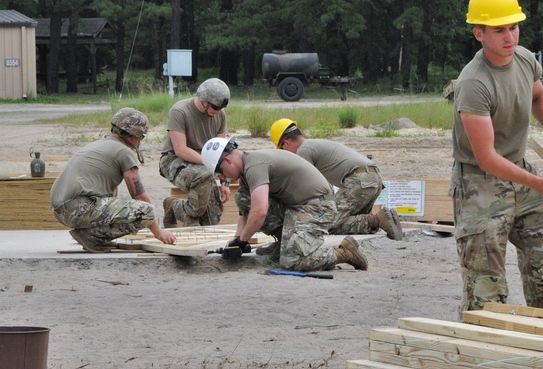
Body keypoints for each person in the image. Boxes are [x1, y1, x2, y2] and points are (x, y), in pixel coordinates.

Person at [450, 0, 543, 314]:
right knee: (486, 291)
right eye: (499, 30)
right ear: (479, 34)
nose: (509, 37)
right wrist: (538, 183)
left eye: (514, 27)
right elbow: (487, 157)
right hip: (479, 185)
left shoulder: (525, 60)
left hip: (520, 172)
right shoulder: (473, 83)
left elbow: (537, 96)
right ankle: (483, 355)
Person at [201, 136, 367, 272]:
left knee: (292, 261)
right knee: (243, 197)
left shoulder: (255, 165)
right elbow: (246, 211)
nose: (222, 178)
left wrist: (242, 241)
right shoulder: (248, 166)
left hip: (318, 206)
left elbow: (260, 211)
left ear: (228, 161)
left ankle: (344, 252)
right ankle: (284, 243)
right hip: (298, 205)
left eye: (220, 173)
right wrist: (236, 240)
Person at [50, 108, 177, 252]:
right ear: (136, 136)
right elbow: (139, 195)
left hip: (61, 210)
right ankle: (91, 236)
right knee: (146, 211)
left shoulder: (98, 145)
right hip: (78, 209)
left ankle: (91, 235)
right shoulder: (124, 152)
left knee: (114, 197)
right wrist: (158, 232)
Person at [269, 118, 404, 241]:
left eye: (282, 150)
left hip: (359, 181)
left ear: (286, 143)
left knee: (324, 222)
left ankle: (377, 219)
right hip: (373, 179)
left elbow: (302, 186)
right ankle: (378, 220)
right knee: (345, 222)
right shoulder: (313, 145)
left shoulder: (303, 151)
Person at [159, 77, 231, 227]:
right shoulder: (179, 111)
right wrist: (211, 166)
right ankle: (186, 214)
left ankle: (176, 206)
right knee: (204, 175)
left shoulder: (220, 114)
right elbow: (181, 149)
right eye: (215, 108)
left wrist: (226, 181)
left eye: (220, 109)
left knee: (212, 221)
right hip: (174, 161)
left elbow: (221, 152)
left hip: (205, 166)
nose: (217, 112)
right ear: (204, 101)